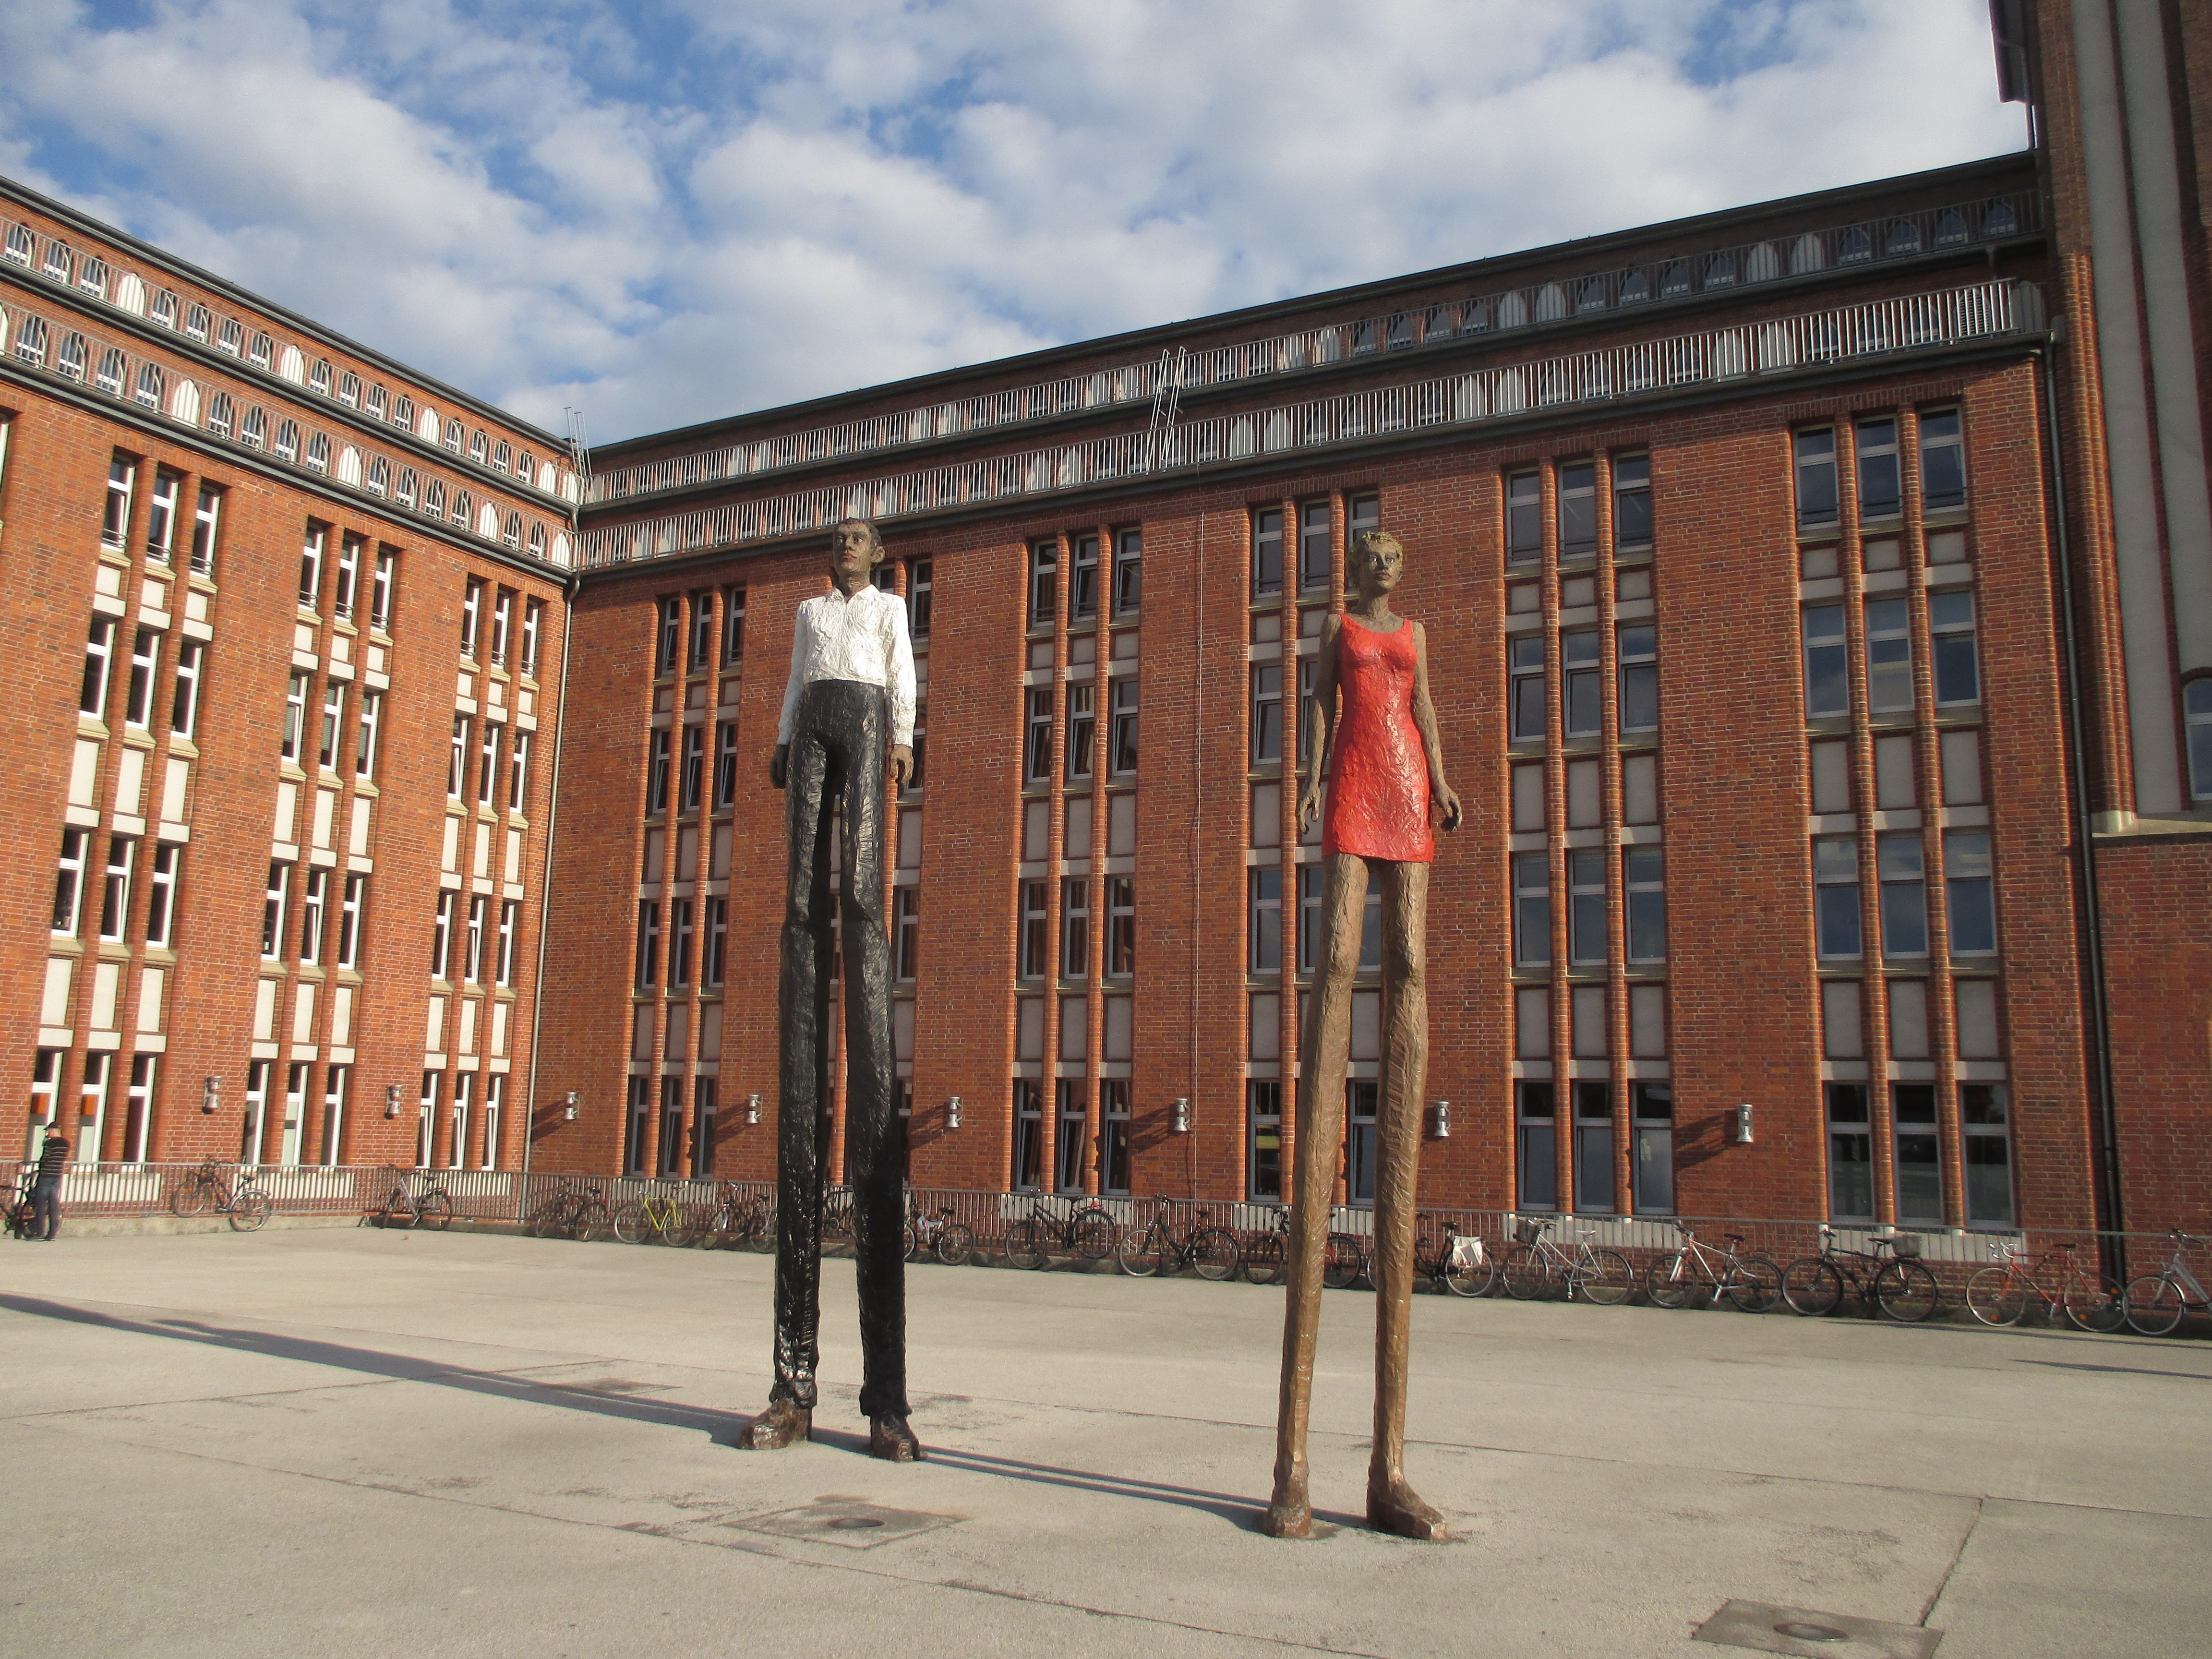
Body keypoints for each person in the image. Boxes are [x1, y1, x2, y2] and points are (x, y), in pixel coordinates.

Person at [1264, 527, 1462, 1541]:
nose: (1388, 561)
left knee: (1414, 972)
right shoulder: (1336, 628)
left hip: (1408, 784)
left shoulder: (1416, 632)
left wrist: (1447, 773)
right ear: (1357, 566)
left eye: (1397, 550)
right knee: (1339, 964)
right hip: (1350, 780)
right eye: (1375, 551)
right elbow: (1319, 703)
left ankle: (1390, 1469)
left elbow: (1420, 705)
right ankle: (1292, 1463)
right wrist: (1302, 778)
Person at [740, 518, 923, 1462]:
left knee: (859, 891)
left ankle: (885, 1399)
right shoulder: (810, 614)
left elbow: (902, 671)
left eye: (858, 537)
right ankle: (792, 1386)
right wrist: (780, 737)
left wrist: (902, 741)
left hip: (865, 717)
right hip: (814, 718)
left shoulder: (889, 609)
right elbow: (789, 681)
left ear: (879, 554)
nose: (843, 545)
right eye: (838, 536)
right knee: (801, 909)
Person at [30, 1128, 70, 1241]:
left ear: (54, 1131)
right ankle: (52, 1233)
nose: (48, 1133)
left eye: (49, 1131)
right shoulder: (65, 1143)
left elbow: (46, 1157)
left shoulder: (50, 1143)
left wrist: (41, 1166)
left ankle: (40, 1232)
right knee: (53, 1204)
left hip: (46, 1175)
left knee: (41, 1204)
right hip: (57, 1175)